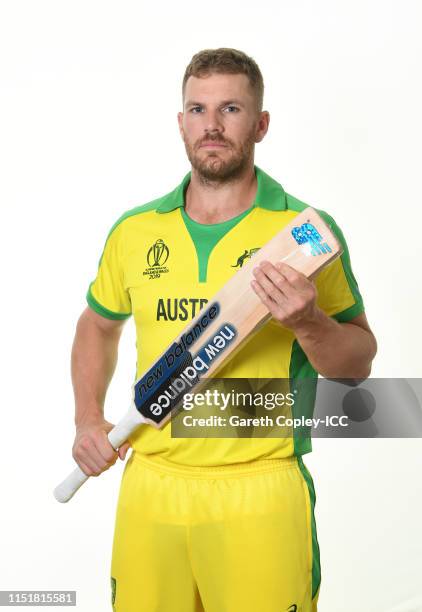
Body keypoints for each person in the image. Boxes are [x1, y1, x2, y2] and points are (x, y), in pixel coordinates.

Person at [71, 48, 377, 612]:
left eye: (231, 108)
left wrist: (307, 321)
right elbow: (97, 323)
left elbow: (357, 363)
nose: (211, 125)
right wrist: (89, 415)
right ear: (181, 121)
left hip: (258, 489)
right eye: (197, 109)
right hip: (151, 485)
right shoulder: (135, 231)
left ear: (260, 124)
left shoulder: (302, 232)